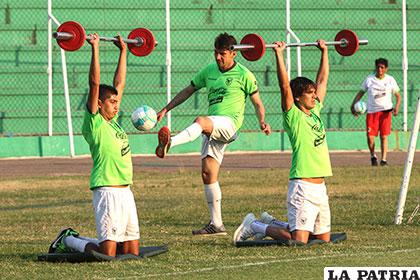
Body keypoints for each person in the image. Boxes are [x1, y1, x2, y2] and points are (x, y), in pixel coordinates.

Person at [155, 32, 271, 236]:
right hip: (213, 127)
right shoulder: (209, 71)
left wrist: (262, 121)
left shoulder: (244, 75)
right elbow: (188, 90)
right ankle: (216, 224)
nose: (218, 57)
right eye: (216, 53)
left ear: (234, 53)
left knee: (200, 121)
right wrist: (166, 108)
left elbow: (258, 103)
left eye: (222, 53)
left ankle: (170, 143)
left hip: (229, 124)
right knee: (208, 174)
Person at [48, 34, 140, 257]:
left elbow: (119, 84)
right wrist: (95, 48)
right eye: (111, 102)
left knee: (131, 252)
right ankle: (69, 239)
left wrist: (123, 51)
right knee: (107, 255)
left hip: (126, 192)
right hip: (107, 191)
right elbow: (95, 83)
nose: (116, 106)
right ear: (99, 104)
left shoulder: (114, 123)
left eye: (117, 102)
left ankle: (102, 239)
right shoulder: (95, 122)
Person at [233, 39, 332, 245]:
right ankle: (255, 225)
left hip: (320, 187)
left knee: (322, 239)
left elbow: (322, 80)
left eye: (314, 93)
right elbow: (284, 86)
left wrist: (324, 51)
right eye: (310, 93)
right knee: (299, 241)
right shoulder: (293, 116)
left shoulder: (315, 111)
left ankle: (273, 222)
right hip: (302, 186)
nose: (315, 96)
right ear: (297, 97)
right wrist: (279, 54)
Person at [350, 58, 401, 166]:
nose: (380, 69)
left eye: (382, 67)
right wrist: (353, 105)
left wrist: (397, 107)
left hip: (386, 112)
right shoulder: (369, 79)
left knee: (384, 136)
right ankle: (373, 156)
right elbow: (361, 93)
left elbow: (398, 95)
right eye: (378, 67)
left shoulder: (390, 80)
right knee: (370, 136)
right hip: (372, 112)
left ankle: (384, 160)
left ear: (386, 69)